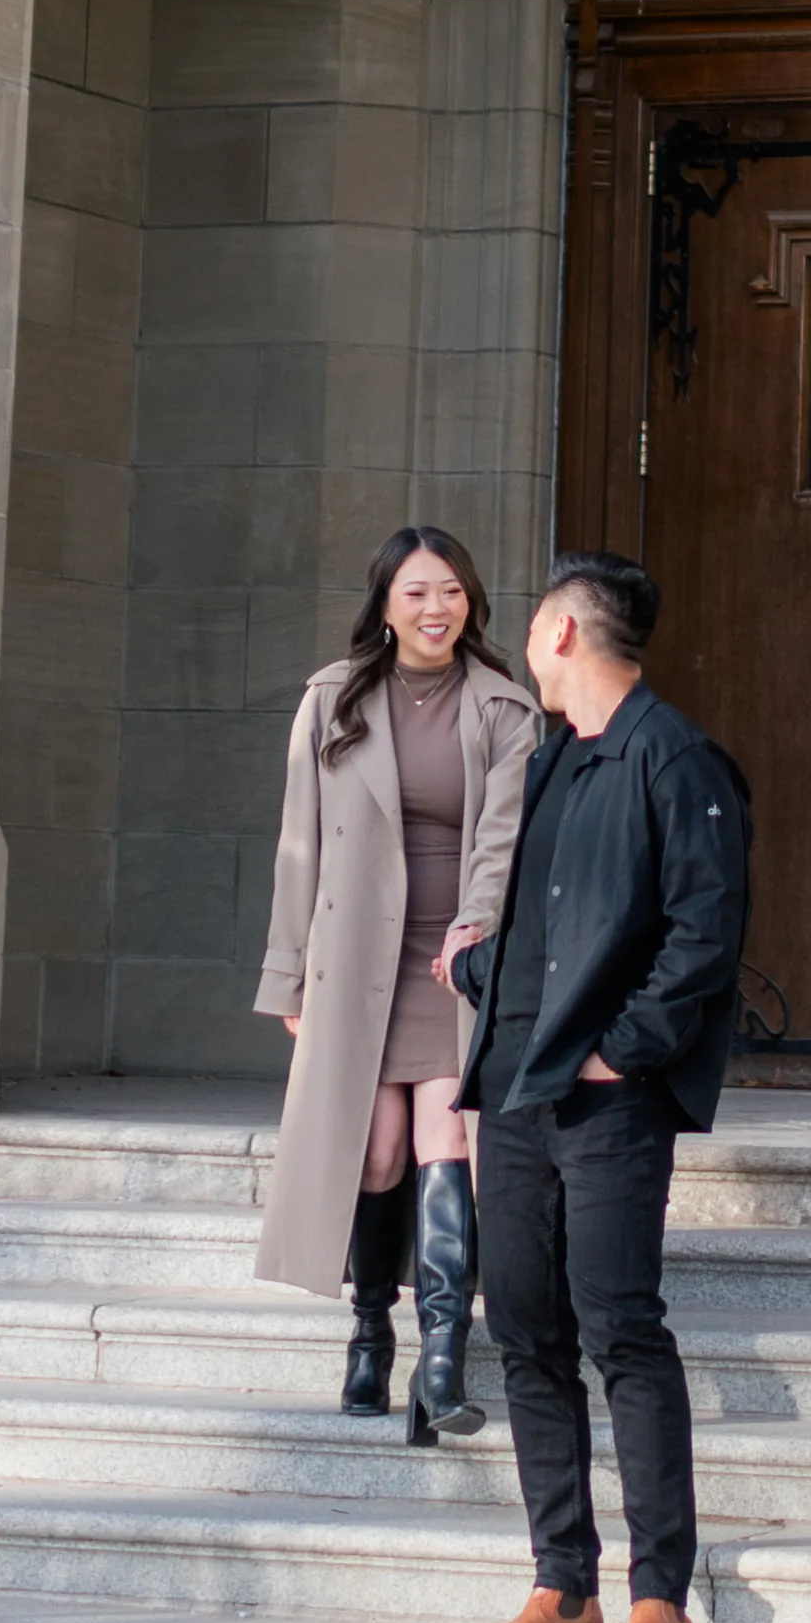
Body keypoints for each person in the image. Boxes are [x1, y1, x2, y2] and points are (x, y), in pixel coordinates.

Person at [445, 551, 751, 1623]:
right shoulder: (555, 758)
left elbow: (705, 933)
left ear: (565, 632)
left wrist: (628, 1048)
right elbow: (548, 926)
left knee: (620, 1324)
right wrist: (476, 969)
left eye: (533, 622)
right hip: (518, 1089)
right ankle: (560, 1581)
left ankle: (659, 1593)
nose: (527, 637)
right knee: (525, 1326)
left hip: (606, 1097)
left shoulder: (675, 758)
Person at [253, 526, 540, 1446]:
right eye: (416, 592)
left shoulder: (504, 707)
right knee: (374, 1157)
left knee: (445, 1139)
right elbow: (298, 844)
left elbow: (502, 841)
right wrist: (287, 973)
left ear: (471, 602)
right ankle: (370, 1329)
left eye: (451, 591)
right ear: (384, 603)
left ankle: (443, 1356)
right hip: (355, 957)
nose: (435, 608)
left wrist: (477, 932)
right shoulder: (332, 700)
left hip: (449, 960)